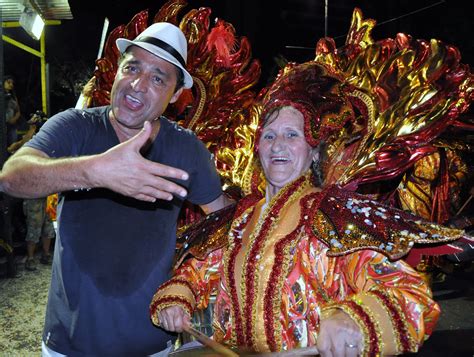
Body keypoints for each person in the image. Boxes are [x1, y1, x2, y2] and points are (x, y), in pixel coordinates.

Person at [150, 62, 464, 356]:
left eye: (292, 135)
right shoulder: (239, 219)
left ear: (313, 152)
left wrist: (354, 319)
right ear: (258, 148)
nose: (278, 146)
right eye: (269, 136)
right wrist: (178, 297)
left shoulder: (333, 218)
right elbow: (196, 274)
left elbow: (411, 295)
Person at [0, 22, 232, 356]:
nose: (138, 84)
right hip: (69, 344)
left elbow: (224, 225)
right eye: (132, 67)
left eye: (158, 78)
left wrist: (189, 285)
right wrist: (95, 171)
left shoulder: (187, 150)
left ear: (177, 95)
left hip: (151, 344)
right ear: (117, 71)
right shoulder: (75, 126)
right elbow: (12, 175)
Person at [8, 111, 55, 271]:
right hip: (32, 193)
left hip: (47, 192)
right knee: (34, 226)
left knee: (48, 226)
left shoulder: (47, 144)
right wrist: (32, 128)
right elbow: (18, 146)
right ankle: (30, 258)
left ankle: (46, 254)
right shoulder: (21, 146)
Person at [3, 75, 21, 146]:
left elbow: (18, 111)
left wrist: (14, 119)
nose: (11, 84)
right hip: (3, 125)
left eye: (12, 83)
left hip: (12, 125)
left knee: (12, 144)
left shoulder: (13, 96)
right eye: (8, 82)